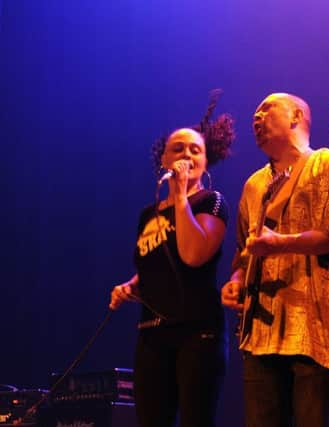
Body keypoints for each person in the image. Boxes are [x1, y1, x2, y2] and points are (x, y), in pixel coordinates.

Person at [221, 93, 329, 427]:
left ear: (297, 115)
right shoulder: (254, 184)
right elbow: (243, 253)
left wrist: (280, 244)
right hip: (261, 337)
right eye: (255, 112)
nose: (257, 117)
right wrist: (235, 282)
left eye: (266, 109)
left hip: (318, 332)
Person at [109, 93, 235, 427]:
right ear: (163, 158)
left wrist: (180, 196)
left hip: (198, 332)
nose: (186, 154)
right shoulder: (147, 214)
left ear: (206, 162)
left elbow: (193, 256)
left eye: (196, 150)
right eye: (178, 148)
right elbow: (152, 267)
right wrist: (130, 286)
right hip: (152, 333)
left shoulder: (212, 202)